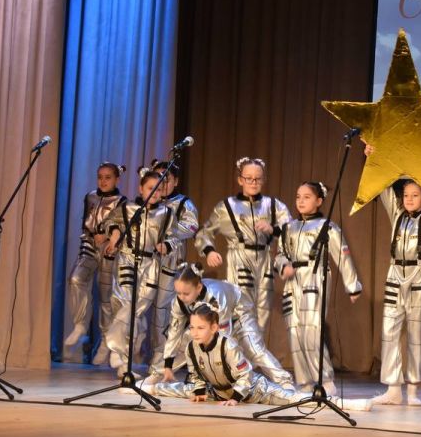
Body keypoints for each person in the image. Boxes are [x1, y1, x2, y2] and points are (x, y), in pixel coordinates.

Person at [152, 304, 371, 411]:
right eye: (192, 327)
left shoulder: (228, 345)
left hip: (254, 390)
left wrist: (235, 399)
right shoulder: (192, 347)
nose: (195, 332)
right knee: (179, 389)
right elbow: (196, 373)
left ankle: (346, 404)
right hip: (219, 392)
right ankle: (146, 387)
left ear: (215, 327)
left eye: (200, 328)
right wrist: (200, 391)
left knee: (294, 399)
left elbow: (245, 375)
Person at [367, 143, 421, 407]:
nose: (409, 199)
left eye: (415, 195)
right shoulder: (397, 215)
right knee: (389, 330)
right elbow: (382, 190)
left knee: (416, 333)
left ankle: (412, 389)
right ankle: (392, 388)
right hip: (394, 274)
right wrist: (372, 159)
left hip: (420, 275)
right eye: (406, 195)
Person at [274, 181, 362, 394]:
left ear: (319, 201)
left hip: (315, 277)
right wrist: (283, 265)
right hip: (292, 282)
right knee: (294, 331)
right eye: (298, 196)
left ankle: (325, 381)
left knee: (311, 331)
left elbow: (342, 255)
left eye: (306, 197)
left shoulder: (328, 227)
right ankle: (304, 382)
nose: (301, 201)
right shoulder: (288, 228)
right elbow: (279, 254)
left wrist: (353, 286)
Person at [149, 262, 291, 387]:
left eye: (185, 293)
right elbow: (174, 334)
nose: (181, 297)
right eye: (178, 293)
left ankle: (285, 382)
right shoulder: (179, 302)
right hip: (213, 321)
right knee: (186, 339)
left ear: (198, 288)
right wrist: (168, 365)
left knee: (253, 348)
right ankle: (159, 374)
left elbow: (222, 337)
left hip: (239, 314)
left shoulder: (215, 297)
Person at [196, 157, 291, 334]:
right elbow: (205, 232)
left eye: (258, 178)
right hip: (239, 257)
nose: (253, 182)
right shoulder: (227, 207)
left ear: (263, 180)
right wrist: (209, 251)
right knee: (241, 308)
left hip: (264, 258)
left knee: (263, 311)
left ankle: (255, 355)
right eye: (249, 178)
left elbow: (291, 231)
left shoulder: (273, 206)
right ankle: (241, 356)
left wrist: (273, 229)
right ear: (240, 180)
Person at [102, 169, 175, 375]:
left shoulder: (166, 213)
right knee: (126, 305)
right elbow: (110, 222)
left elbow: (174, 236)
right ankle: (121, 358)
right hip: (127, 258)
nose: (155, 193)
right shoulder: (127, 208)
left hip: (151, 264)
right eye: (151, 188)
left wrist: (167, 245)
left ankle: (121, 356)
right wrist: (115, 234)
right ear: (141, 188)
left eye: (159, 189)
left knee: (136, 311)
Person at [64, 162, 127, 365]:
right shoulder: (90, 196)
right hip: (90, 246)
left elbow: (122, 228)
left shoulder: (122, 201)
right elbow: (86, 222)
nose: (103, 181)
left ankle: (106, 341)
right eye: (100, 176)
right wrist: (93, 237)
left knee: (106, 298)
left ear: (117, 179)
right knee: (75, 278)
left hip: (110, 250)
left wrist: (108, 238)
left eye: (108, 177)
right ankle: (80, 324)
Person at [149, 159, 200, 374]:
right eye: (159, 178)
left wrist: (169, 235)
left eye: (167, 179)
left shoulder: (183, 203)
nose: (162, 184)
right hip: (148, 263)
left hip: (170, 264)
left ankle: (160, 360)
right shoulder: (149, 203)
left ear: (175, 181)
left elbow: (191, 226)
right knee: (139, 309)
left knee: (162, 313)